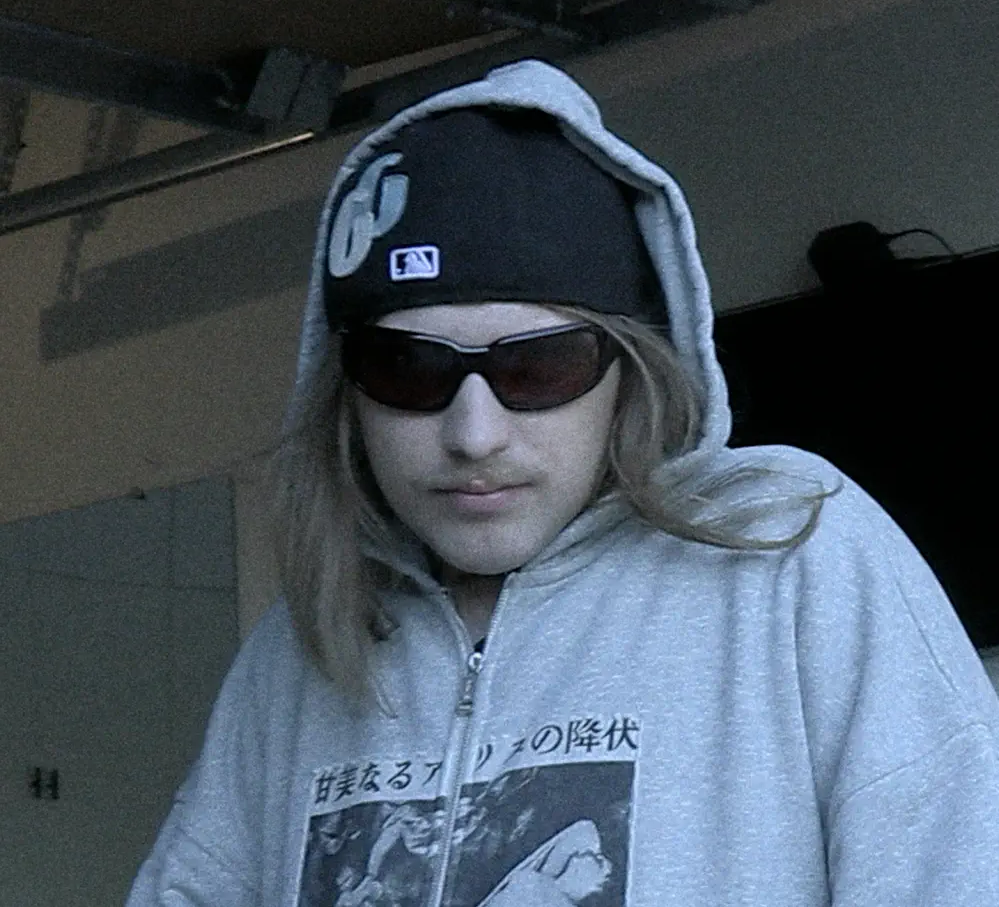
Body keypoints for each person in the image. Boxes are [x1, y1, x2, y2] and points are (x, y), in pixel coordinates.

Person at [125, 60, 999, 906]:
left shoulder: (785, 547)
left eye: (538, 366)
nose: (473, 433)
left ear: (630, 372)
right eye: (409, 369)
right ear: (345, 393)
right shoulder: (298, 651)